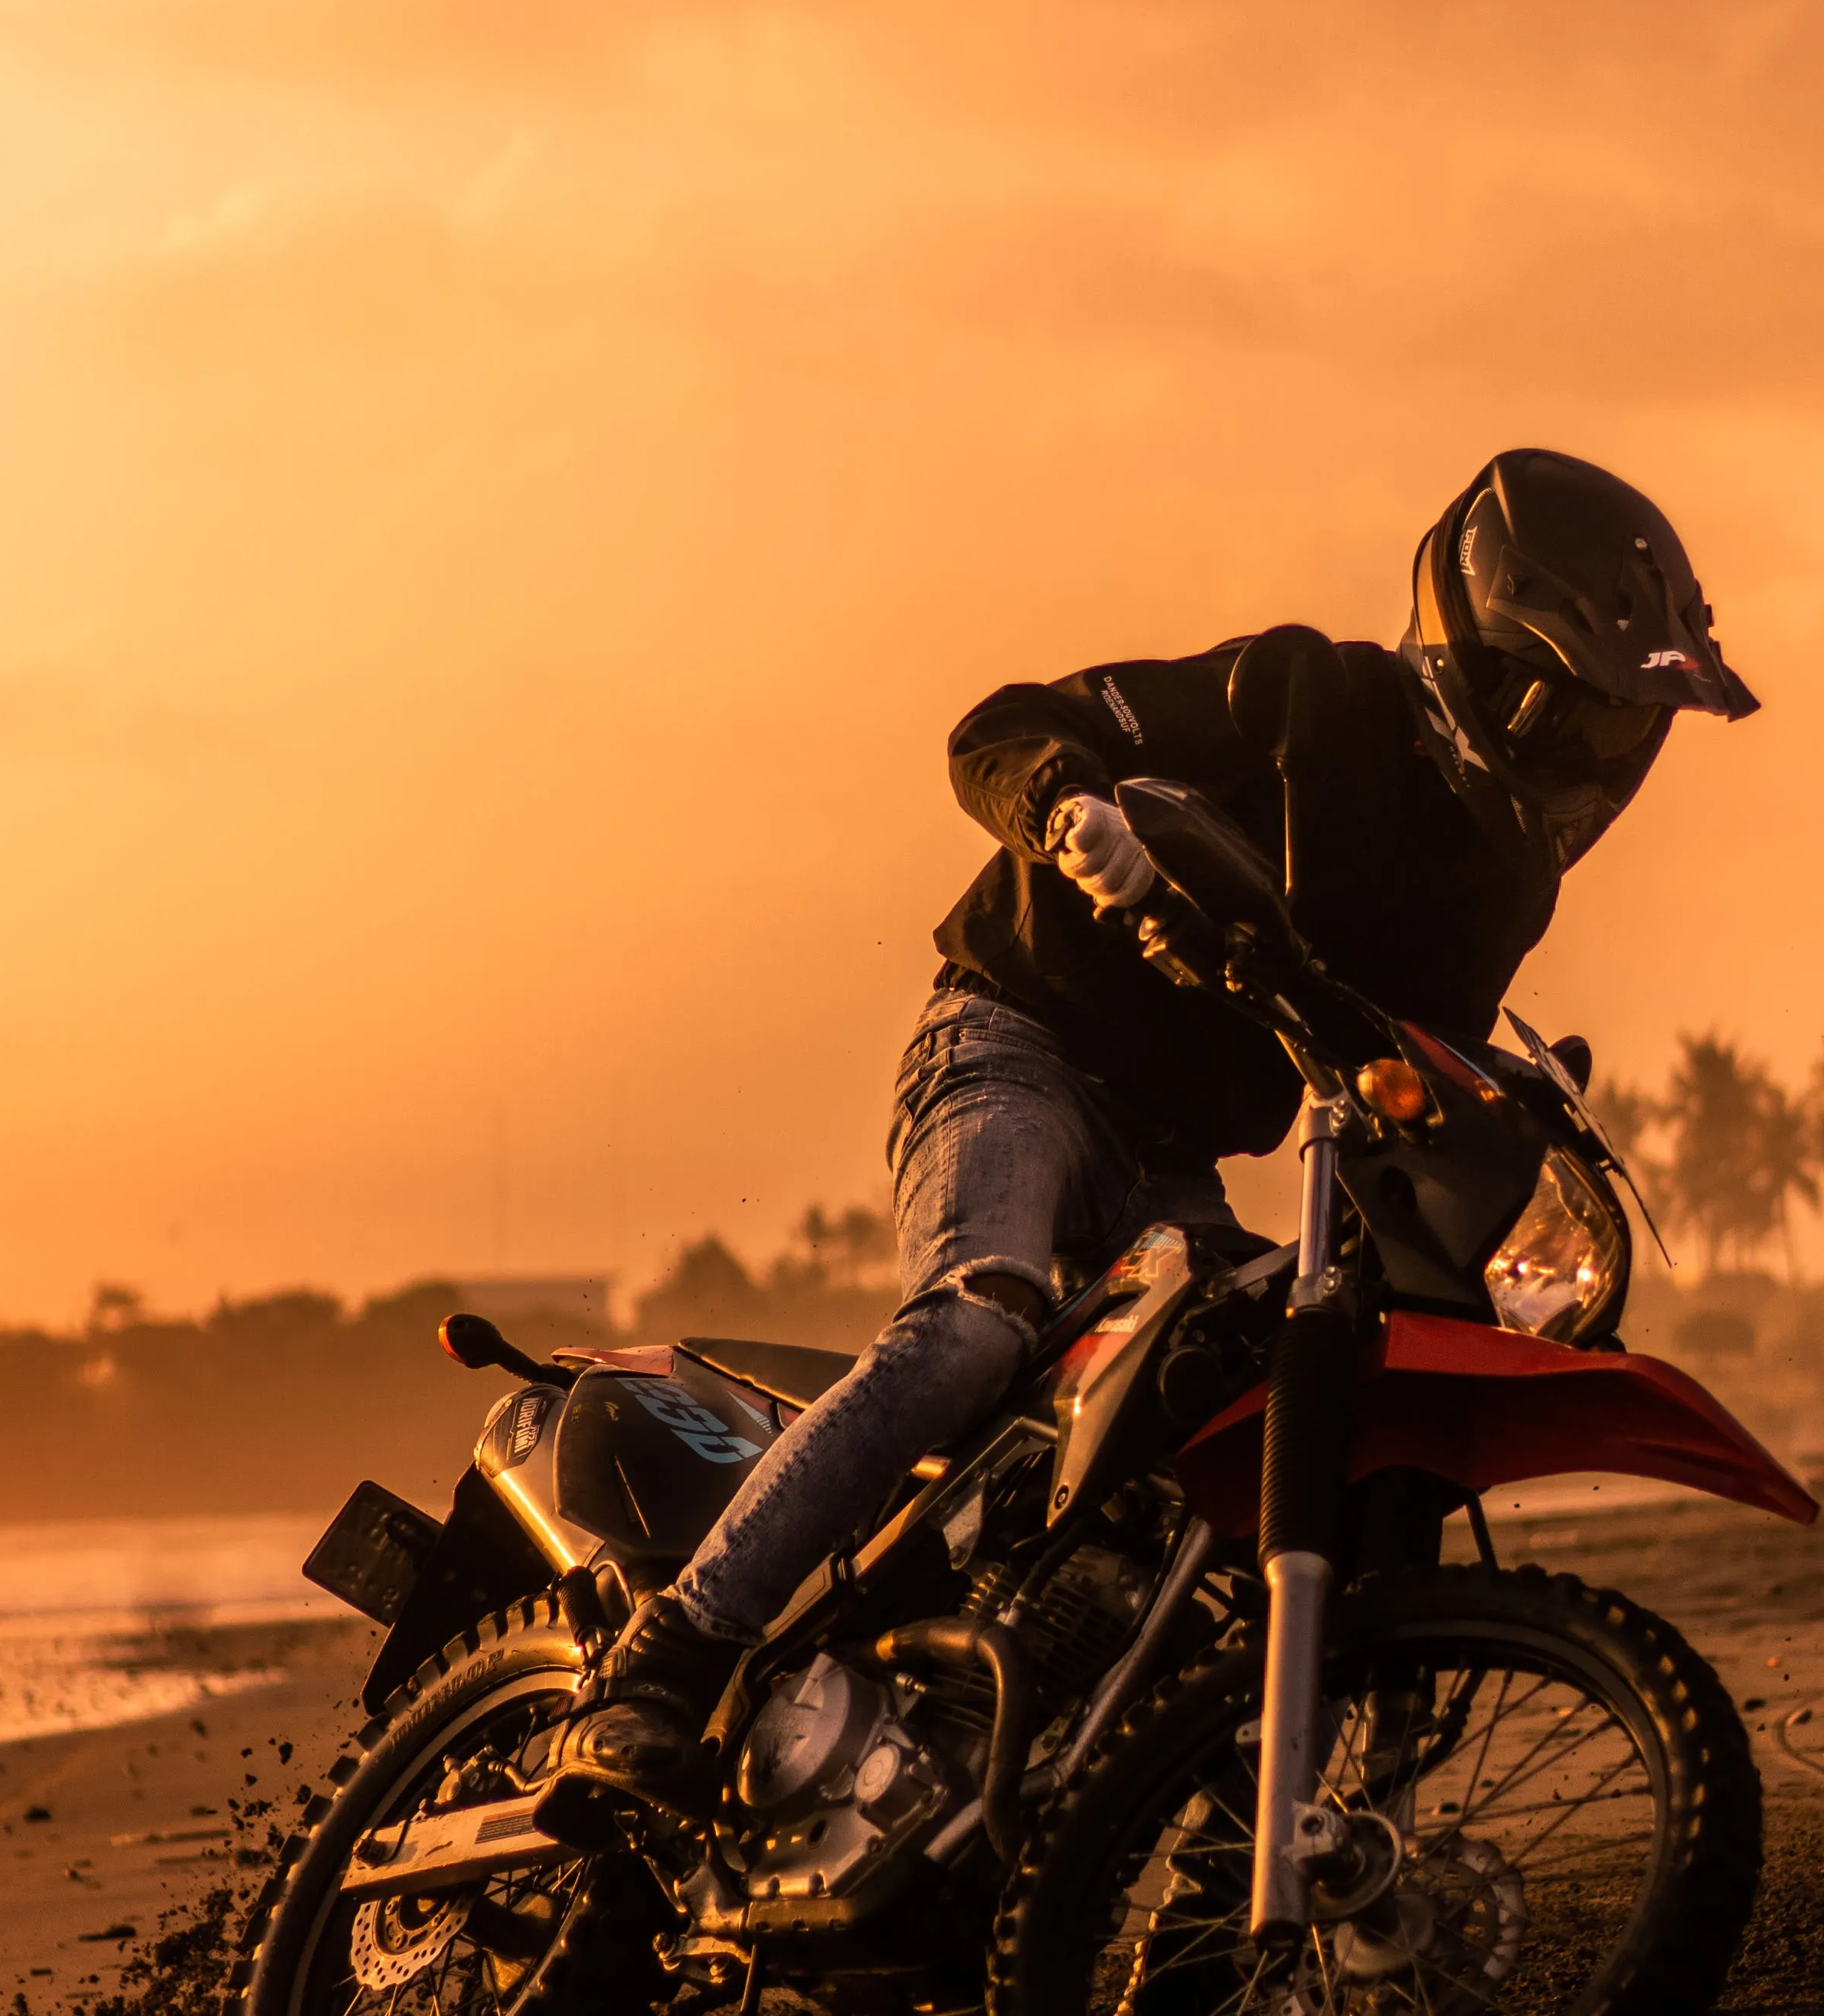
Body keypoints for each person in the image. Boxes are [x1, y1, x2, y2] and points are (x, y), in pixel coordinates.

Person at [543, 447, 1756, 1821]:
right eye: (1586, 725)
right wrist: (1070, 811)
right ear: (1497, 669)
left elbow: (1395, 1079)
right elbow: (1007, 722)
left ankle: (1162, 1897)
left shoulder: (1502, 888)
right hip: (1017, 1043)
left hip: (1173, 1156)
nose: (1607, 764)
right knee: (976, 1317)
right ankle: (660, 1665)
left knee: (1216, 1450)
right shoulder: (1310, 694)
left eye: (1627, 737)